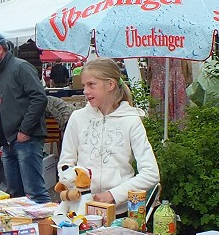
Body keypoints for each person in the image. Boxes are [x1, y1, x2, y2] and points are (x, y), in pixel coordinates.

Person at [58, 58, 159, 208]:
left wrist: (114, 194)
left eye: (91, 84)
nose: (85, 91)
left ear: (110, 84)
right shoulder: (78, 118)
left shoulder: (131, 120)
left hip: (119, 212)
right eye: (84, 85)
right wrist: (75, 185)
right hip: (80, 210)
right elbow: (65, 164)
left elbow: (151, 174)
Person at [0, 32, 49, 203]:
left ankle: (46, 229)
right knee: (15, 195)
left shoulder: (20, 67)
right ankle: (24, 229)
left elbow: (40, 98)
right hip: (10, 142)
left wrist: (25, 130)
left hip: (25, 140)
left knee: (35, 193)